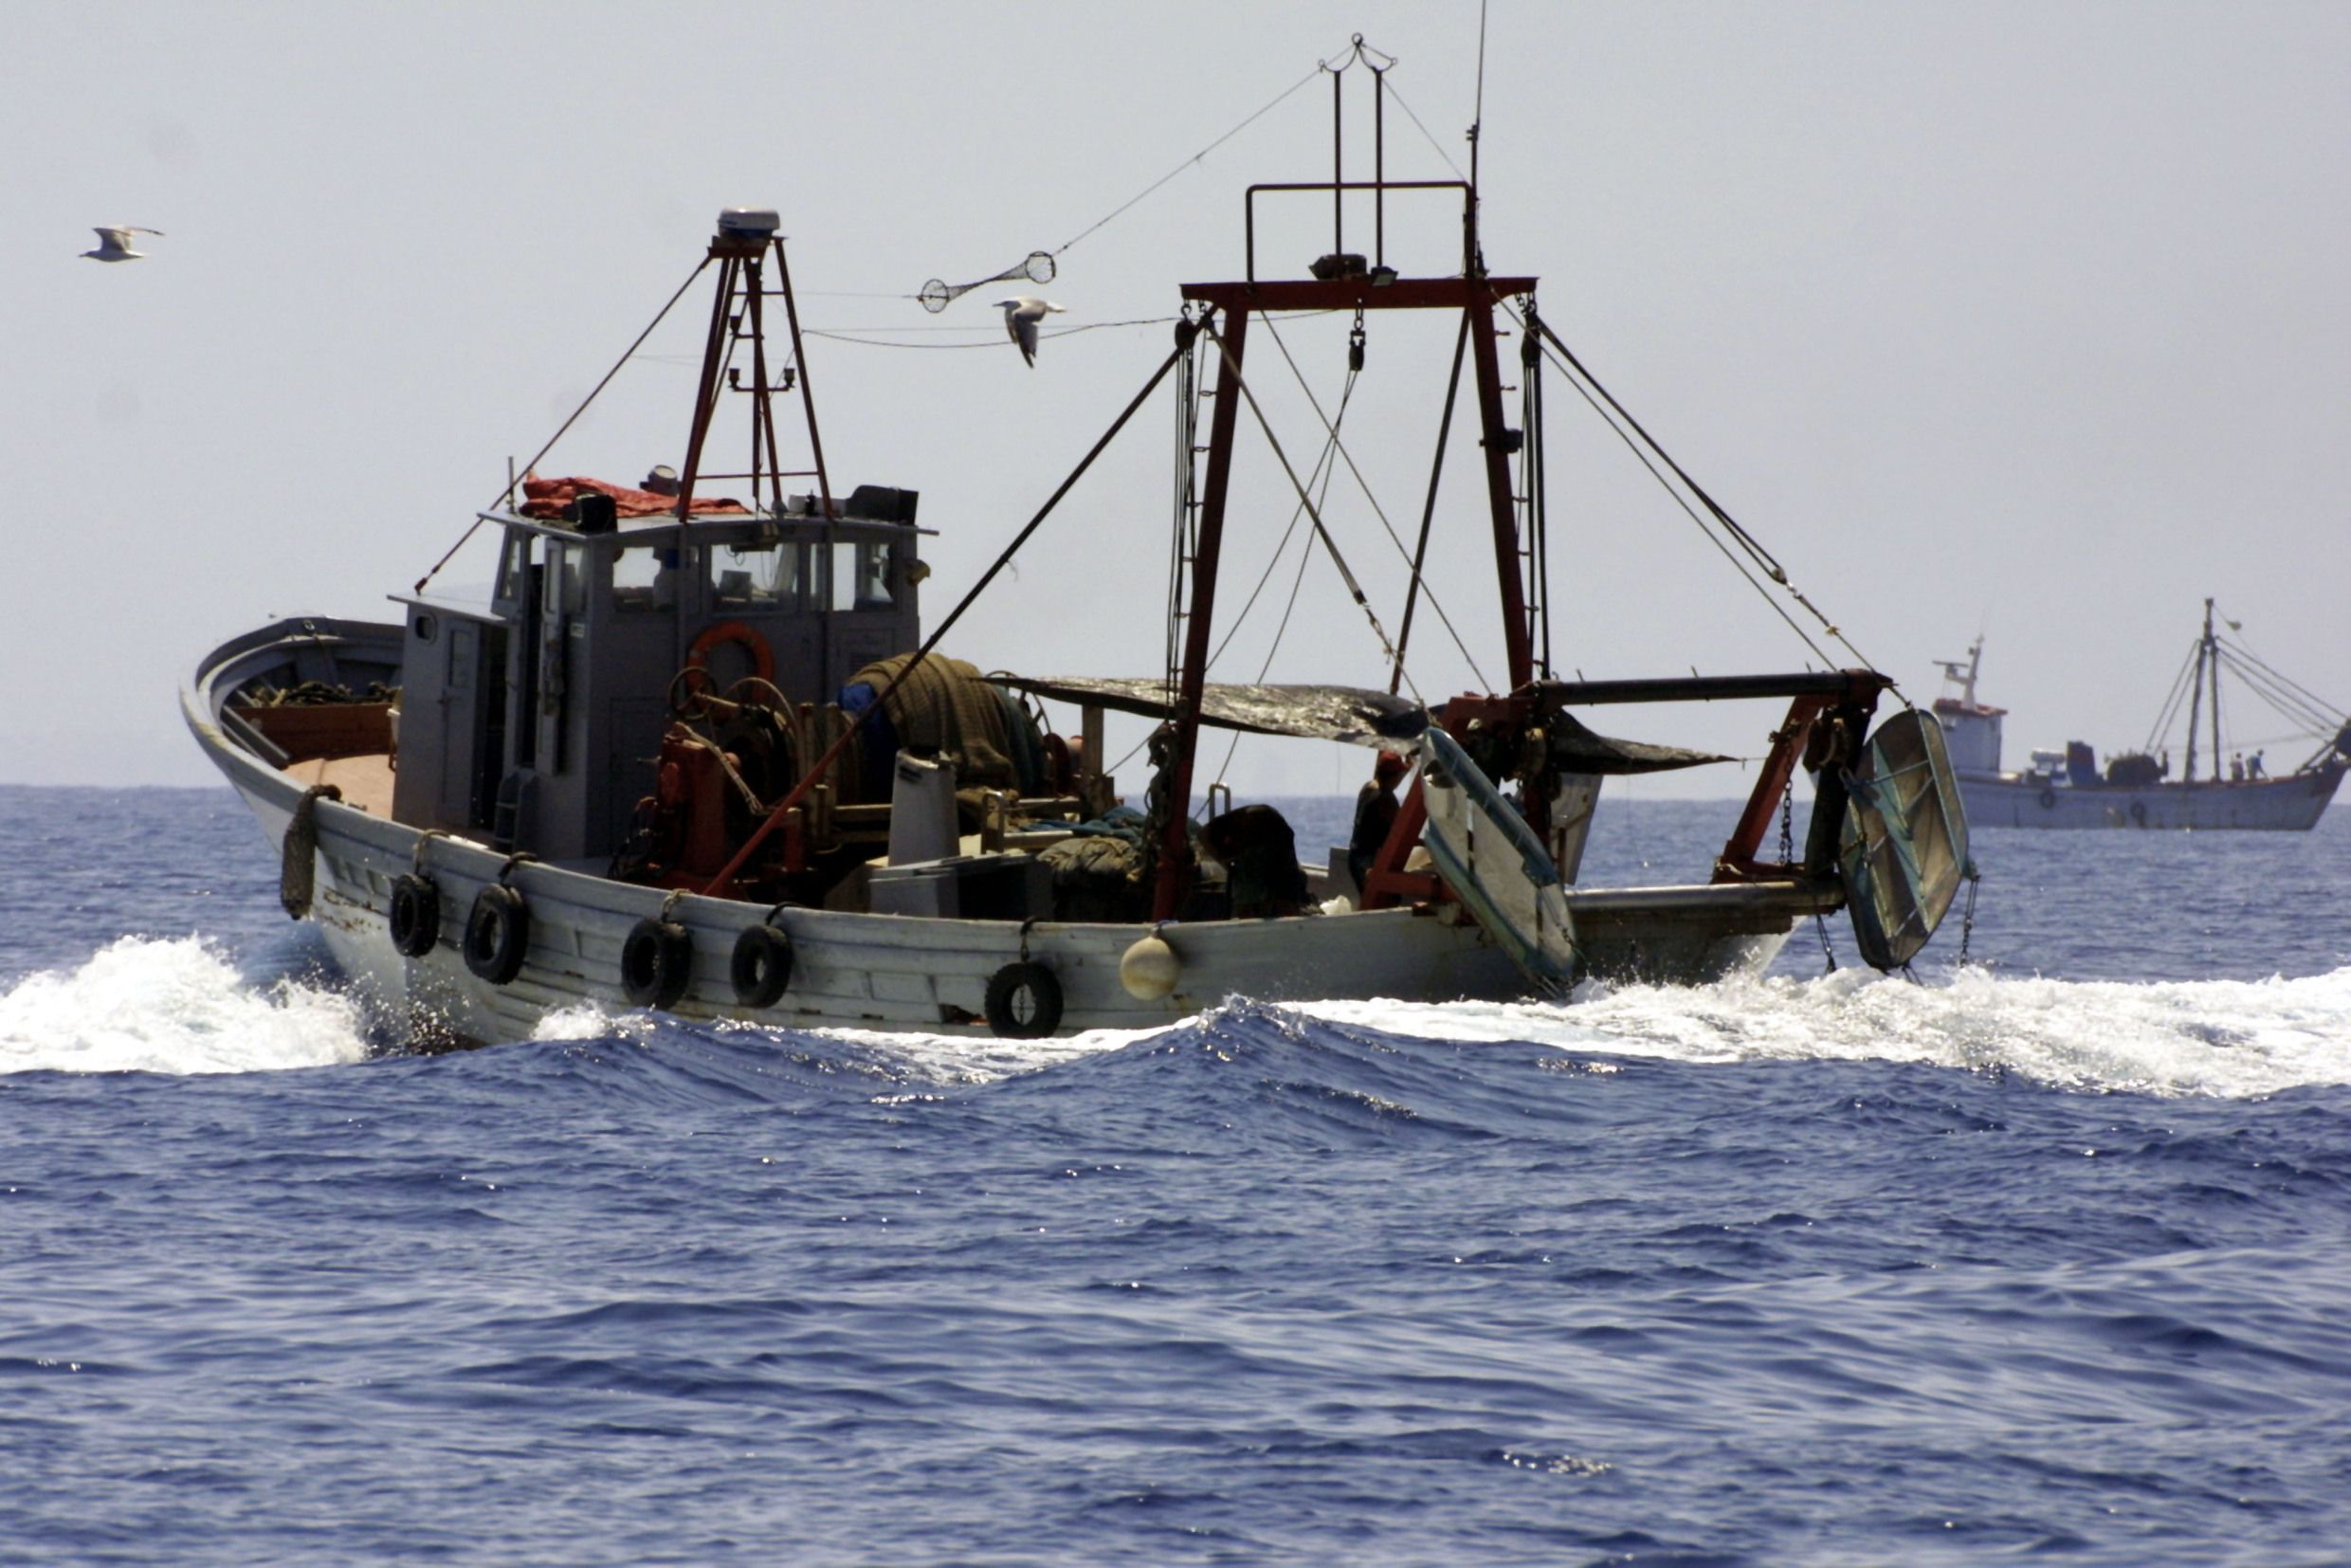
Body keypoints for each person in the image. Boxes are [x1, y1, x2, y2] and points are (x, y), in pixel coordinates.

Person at [1200, 804, 1309, 918]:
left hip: (1277, 869)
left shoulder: (1268, 828)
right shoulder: (1247, 824)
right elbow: (1204, 835)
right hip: (1262, 869)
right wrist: (1225, 861)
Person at [1348, 749, 1409, 894]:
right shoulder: (1386, 800)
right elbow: (1400, 830)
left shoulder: (1368, 787)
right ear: (1393, 776)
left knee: (1368, 902)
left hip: (1356, 858)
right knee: (1379, 903)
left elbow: (1385, 780)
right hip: (1369, 863)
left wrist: (1405, 768)